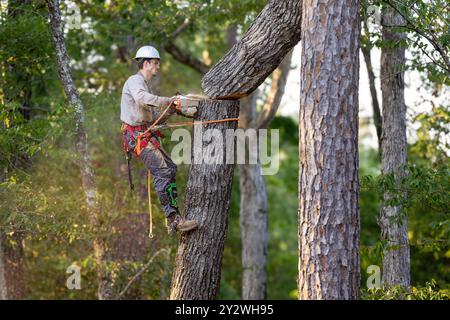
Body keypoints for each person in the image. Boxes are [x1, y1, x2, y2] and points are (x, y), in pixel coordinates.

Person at [120, 45, 198, 235]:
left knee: (170, 168)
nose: (157, 67)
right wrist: (168, 100)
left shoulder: (146, 87)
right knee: (162, 170)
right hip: (136, 136)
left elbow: (155, 118)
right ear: (145, 63)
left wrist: (173, 108)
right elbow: (141, 99)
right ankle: (173, 220)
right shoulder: (135, 81)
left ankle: (173, 218)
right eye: (155, 63)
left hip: (144, 135)